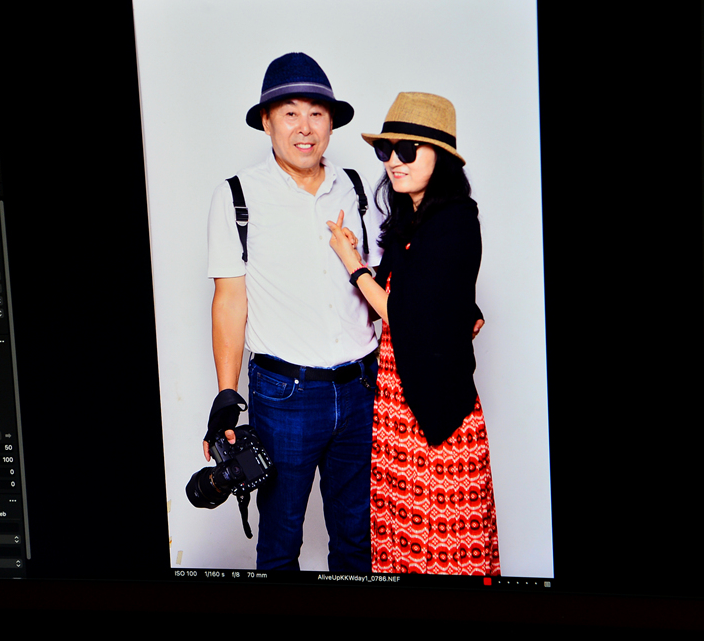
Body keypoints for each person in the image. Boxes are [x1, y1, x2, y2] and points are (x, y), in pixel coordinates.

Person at [204, 52, 384, 572]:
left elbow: (380, 276)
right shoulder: (237, 196)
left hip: (362, 389)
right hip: (285, 395)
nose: (305, 127)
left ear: (331, 123)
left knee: (358, 539)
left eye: (316, 114)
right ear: (267, 122)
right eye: (290, 113)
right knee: (281, 542)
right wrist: (226, 394)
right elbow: (229, 300)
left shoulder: (356, 187)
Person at [325, 92, 500, 576]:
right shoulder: (411, 220)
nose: (393, 162)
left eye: (407, 150)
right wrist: (367, 261)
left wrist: (351, 263)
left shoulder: (455, 220)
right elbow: (400, 292)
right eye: (386, 151)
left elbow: (401, 314)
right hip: (396, 409)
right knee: (401, 544)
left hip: (432, 410)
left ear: (440, 158)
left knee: (447, 545)